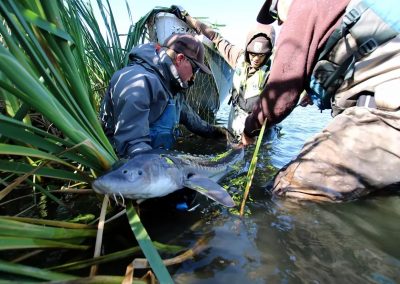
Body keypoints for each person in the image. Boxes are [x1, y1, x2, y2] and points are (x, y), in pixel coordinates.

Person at [242, 0, 400, 201]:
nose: (280, 23)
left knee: (287, 190)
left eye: (275, 14)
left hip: (386, 117)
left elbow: (280, 97)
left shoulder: (304, 4)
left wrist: (249, 131)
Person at [100, 33, 230, 159]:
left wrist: (217, 133)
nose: (194, 77)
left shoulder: (171, 87)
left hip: (157, 160)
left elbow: (192, 120)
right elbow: (132, 146)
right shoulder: (138, 82)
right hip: (129, 167)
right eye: (195, 69)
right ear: (180, 59)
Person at [172, 6, 274, 138]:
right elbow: (215, 37)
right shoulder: (238, 57)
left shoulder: (271, 74)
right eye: (253, 54)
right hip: (237, 118)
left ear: (267, 55)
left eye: (261, 55)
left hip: (257, 129)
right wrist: (187, 18)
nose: (256, 59)